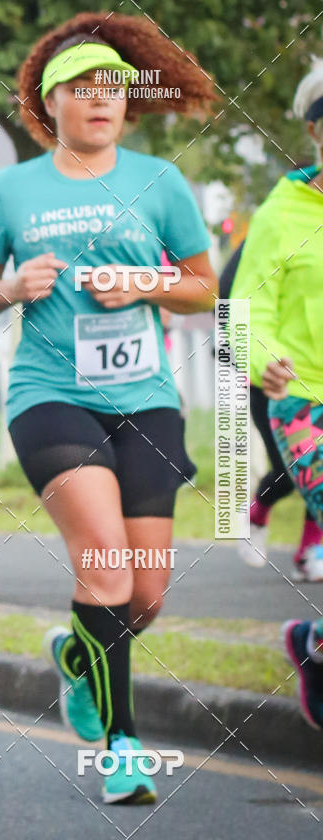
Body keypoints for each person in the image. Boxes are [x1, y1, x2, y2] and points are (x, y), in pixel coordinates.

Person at [0, 12, 217, 805]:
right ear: (50, 101)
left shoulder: (160, 182)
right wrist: (11, 287)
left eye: (113, 87)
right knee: (103, 561)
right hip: (51, 396)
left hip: (146, 400)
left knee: (145, 596)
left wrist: (145, 283)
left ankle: (76, 657)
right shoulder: (13, 189)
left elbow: (203, 288)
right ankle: (122, 747)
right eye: (82, 87)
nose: (101, 99)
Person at [230, 58, 323, 582]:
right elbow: (246, 309)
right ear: (314, 131)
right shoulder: (280, 214)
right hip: (302, 397)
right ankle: (264, 518)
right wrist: (264, 359)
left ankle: (309, 631)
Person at [221, 242, 323, 576]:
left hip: (316, 377)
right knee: (289, 470)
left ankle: (310, 553)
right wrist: (253, 354)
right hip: (270, 381)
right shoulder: (267, 235)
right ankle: (256, 513)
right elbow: (227, 302)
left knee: (318, 463)